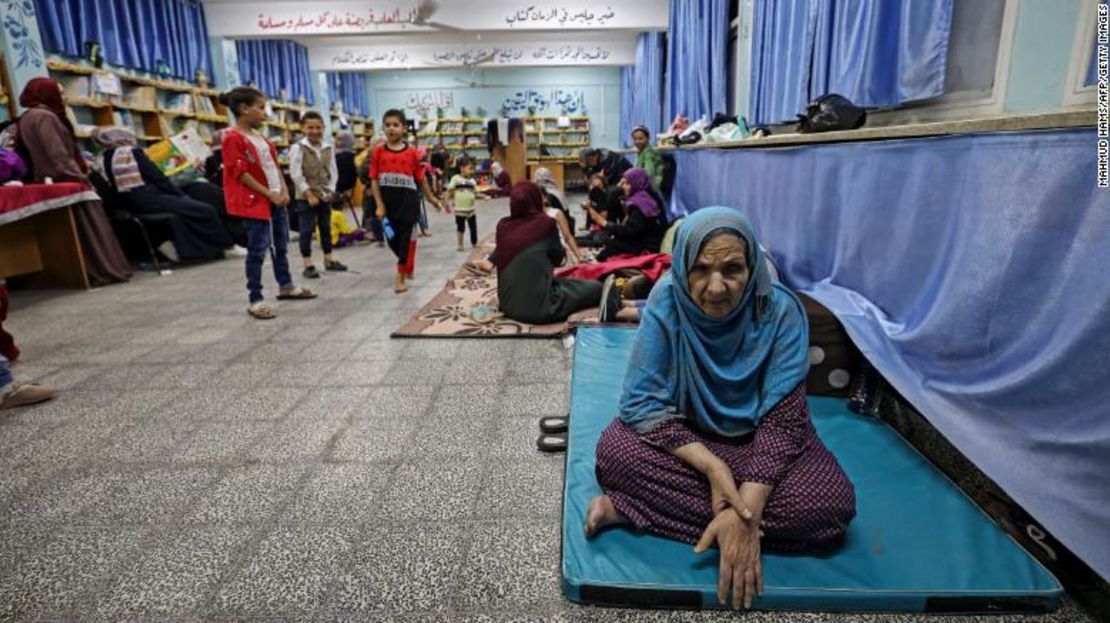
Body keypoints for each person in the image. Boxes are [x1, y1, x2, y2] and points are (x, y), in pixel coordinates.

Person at [586, 208, 856, 610]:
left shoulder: (778, 311)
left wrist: (743, 511)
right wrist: (715, 469)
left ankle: (639, 509)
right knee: (615, 451)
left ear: (752, 267)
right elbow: (641, 403)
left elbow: (783, 425)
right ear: (682, 268)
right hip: (689, 443)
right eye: (700, 270)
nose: (716, 288)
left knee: (830, 506)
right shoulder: (667, 299)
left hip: (765, 445)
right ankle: (724, 517)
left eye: (732, 269)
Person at [14, 77, 131, 286]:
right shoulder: (45, 117)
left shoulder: (28, 117)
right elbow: (58, 154)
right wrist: (80, 178)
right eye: (60, 92)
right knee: (90, 229)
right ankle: (106, 269)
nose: (65, 97)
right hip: (68, 182)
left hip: (48, 181)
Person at [219, 86, 316, 319]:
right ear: (244, 109)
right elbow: (240, 173)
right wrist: (268, 193)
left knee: (280, 245)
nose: (265, 113)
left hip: (276, 199)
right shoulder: (232, 138)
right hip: (256, 202)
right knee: (258, 249)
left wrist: (283, 189)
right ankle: (255, 298)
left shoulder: (261, 137)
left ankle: (286, 285)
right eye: (261, 108)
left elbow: (272, 166)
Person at [93, 127, 236, 262]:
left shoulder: (104, 158)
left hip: (129, 203)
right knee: (205, 210)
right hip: (148, 198)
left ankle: (195, 251)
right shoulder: (133, 153)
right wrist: (180, 195)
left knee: (185, 212)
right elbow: (158, 178)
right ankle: (226, 247)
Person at [469, 182, 601, 324]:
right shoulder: (546, 223)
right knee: (594, 288)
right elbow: (558, 260)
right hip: (543, 309)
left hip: (508, 307)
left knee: (565, 283)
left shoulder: (503, 226)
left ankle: (490, 264)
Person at [370, 109, 443, 293]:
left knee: (404, 241)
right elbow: (374, 180)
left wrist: (432, 199)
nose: (391, 129)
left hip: (409, 205)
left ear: (403, 128)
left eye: (395, 125)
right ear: (383, 128)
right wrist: (379, 204)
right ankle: (407, 263)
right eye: (387, 125)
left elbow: (421, 179)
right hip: (388, 206)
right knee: (393, 241)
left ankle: (400, 276)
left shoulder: (412, 154)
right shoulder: (377, 153)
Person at [288, 112, 347, 279]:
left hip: (324, 195)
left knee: (325, 228)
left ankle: (329, 259)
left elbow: (333, 172)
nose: (314, 131)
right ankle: (308, 264)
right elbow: (295, 174)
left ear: (323, 128)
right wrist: (308, 193)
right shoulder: (298, 148)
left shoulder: (328, 147)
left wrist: (329, 191)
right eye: (310, 127)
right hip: (305, 196)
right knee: (306, 230)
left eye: (318, 127)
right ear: (303, 128)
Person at [596, 167, 667, 261]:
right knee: (609, 241)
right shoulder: (645, 197)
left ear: (636, 183)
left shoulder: (642, 203)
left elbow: (629, 231)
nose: (623, 186)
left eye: (627, 183)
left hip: (646, 247)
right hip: (645, 240)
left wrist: (605, 224)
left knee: (610, 246)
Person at [534, 168, 583, 266]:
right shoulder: (530, 214)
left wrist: (579, 256)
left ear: (546, 199)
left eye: (540, 196)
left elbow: (568, 236)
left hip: (555, 251)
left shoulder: (555, 213)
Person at [447, 155, 481, 251]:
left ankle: (474, 243)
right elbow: (450, 190)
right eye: (470, 168)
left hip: (471, 209)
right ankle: (460, 244)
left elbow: (476, 193)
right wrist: (447, 200)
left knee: (473, 228)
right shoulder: (456, 179)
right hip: (460, 210)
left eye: (473, 169)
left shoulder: (472, 181)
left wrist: (484, 196)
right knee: (460, 228)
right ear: (461, 168)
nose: (472, 171)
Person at [631, 125, 664, 190]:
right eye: (635, 139)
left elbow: (649, 173)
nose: (637, 141)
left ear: (648, 138)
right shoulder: (640, 152)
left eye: (641, 138)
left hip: (651, 189)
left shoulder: (649, 152)